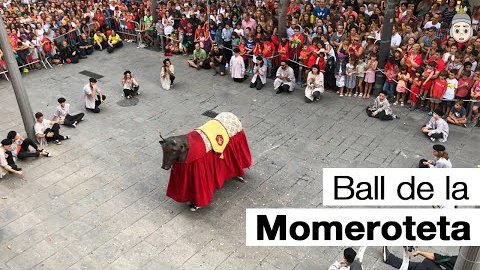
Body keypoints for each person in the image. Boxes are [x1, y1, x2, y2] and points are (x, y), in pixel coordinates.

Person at [383, 246, 457, 270]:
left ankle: (390, 259)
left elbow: (437, 258)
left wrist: (419, 252)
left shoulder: (458, 261)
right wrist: (419, 252)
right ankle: (389, 258)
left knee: (426, 265)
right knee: (412, 266)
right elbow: (438, 258)